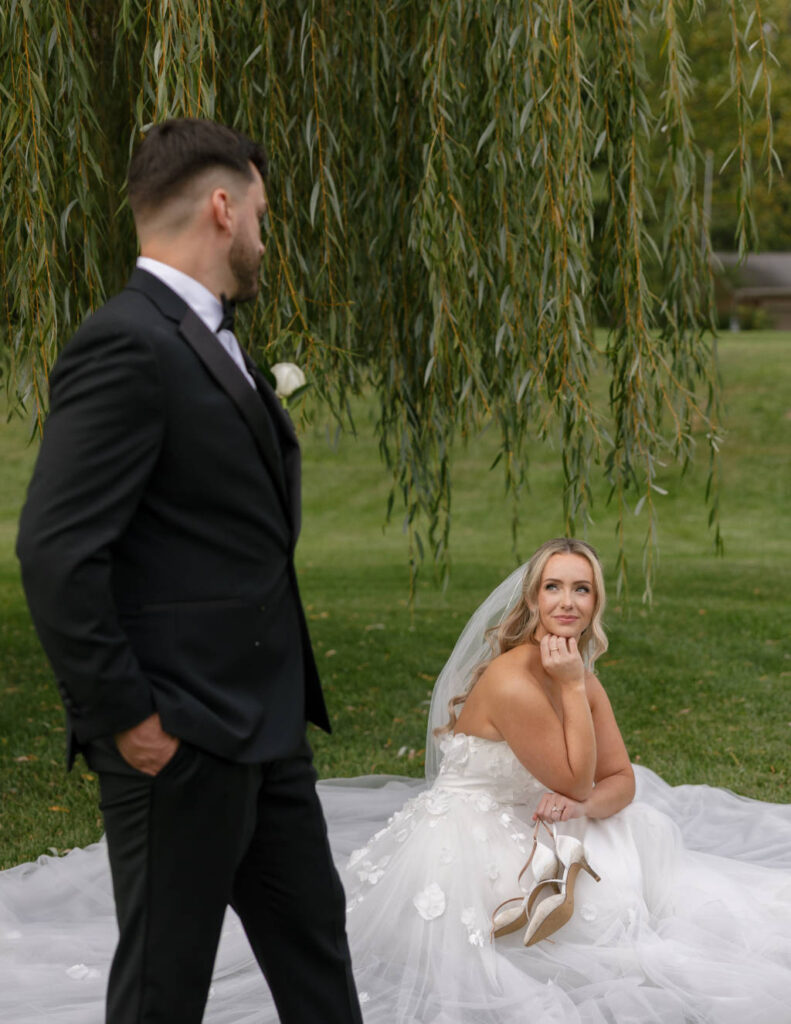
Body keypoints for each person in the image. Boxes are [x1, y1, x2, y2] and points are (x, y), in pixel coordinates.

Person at [2, 539, 791, 1022]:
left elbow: (613, 778)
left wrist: (588, 802)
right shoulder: (523, 680)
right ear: (531, 598)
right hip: (473, 839)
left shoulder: (575, 669)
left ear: (594, 603)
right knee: (595, 937)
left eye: (580, 589)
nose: (566, 601)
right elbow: (579, 767)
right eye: (552, 586)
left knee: (642, 846)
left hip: (543, 819)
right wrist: (577, 728)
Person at [15, 118, 363, 1024]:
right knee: (165, 989)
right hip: (180, 741)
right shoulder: (127, 341)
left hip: (266, 729)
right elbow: (56, 550)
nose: (263, 232)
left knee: (316, 952)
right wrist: (129, 719)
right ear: (222, 205)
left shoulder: (213, 335)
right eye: (259, 212)